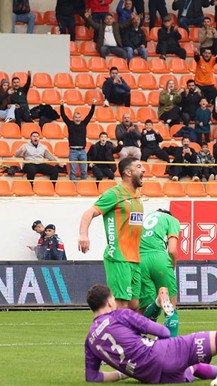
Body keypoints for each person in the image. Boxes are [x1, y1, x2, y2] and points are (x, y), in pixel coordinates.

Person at [83, 284, 217, 386]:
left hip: (151, 377)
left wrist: (124, 374)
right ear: (109, 302)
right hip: (163, 353)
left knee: (193, 368)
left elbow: (92, 377)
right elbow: (163, 332)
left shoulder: (90, 340)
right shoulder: (119, 315)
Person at [78, 157, 146, 310]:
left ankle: (119, 330)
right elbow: (89, 212)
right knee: (122, 303)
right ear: (128, 172)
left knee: (135, 304)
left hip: (134, 258)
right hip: (118, 256)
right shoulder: (115, 193)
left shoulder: (137, 195)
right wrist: (83, 235)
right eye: (139, 167)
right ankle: (114, 332)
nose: (144, 170)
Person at [138, 209, 180, 335]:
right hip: (159, 259)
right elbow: (172, 250)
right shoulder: (171, 220)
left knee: (144, 308)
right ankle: (172, 343)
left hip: (139, 260)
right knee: (170, 307)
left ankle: (138, 342)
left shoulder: (143, 219)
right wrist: (171, 267)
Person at [61, 100, 97, 180]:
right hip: (73, 151)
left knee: (84, 171)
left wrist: (93, 105)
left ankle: (83, 187)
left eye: (79, 117)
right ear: (73, 118)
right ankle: (72, 187)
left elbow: (90, 115)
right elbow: (63, 116)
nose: (77, 119)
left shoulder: (84, 124)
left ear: (81, 118)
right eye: (76, 117)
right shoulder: (70, 124)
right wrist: (62, 106)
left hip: (82, 151)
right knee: (73, 171)